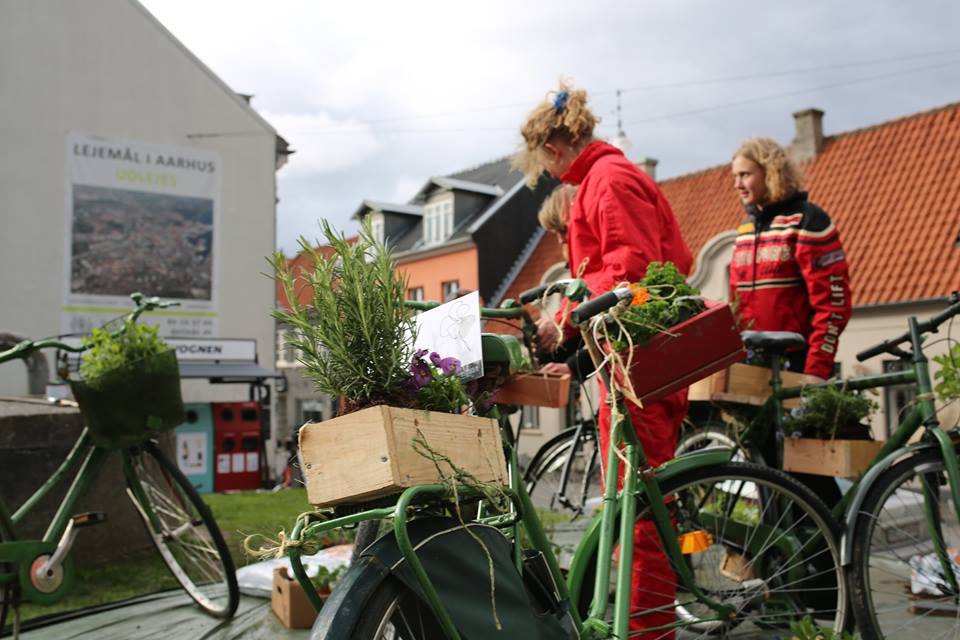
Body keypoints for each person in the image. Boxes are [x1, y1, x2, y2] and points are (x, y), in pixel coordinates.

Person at [516, 82, 693, 638]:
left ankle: (647, 630)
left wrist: (560, 322)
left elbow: (628, 274)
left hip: (640, 367)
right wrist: (572, 341)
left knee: (640, 514)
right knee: (627, 509)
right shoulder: (598, 182)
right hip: (625, 364)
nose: (543, 172)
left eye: (540, 159)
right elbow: (615, 274)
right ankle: (635, 624)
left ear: (554, 147)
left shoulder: (608, 181)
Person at [729, 137, 852, 381]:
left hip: (798, 364)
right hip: (751, 365)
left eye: (745, 175)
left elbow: (833, 305)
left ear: (770, 173)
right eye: (735, 176)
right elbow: (736, 309)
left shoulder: (808, 221)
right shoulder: (744, 230)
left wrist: (816, 370)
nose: (737, 184)